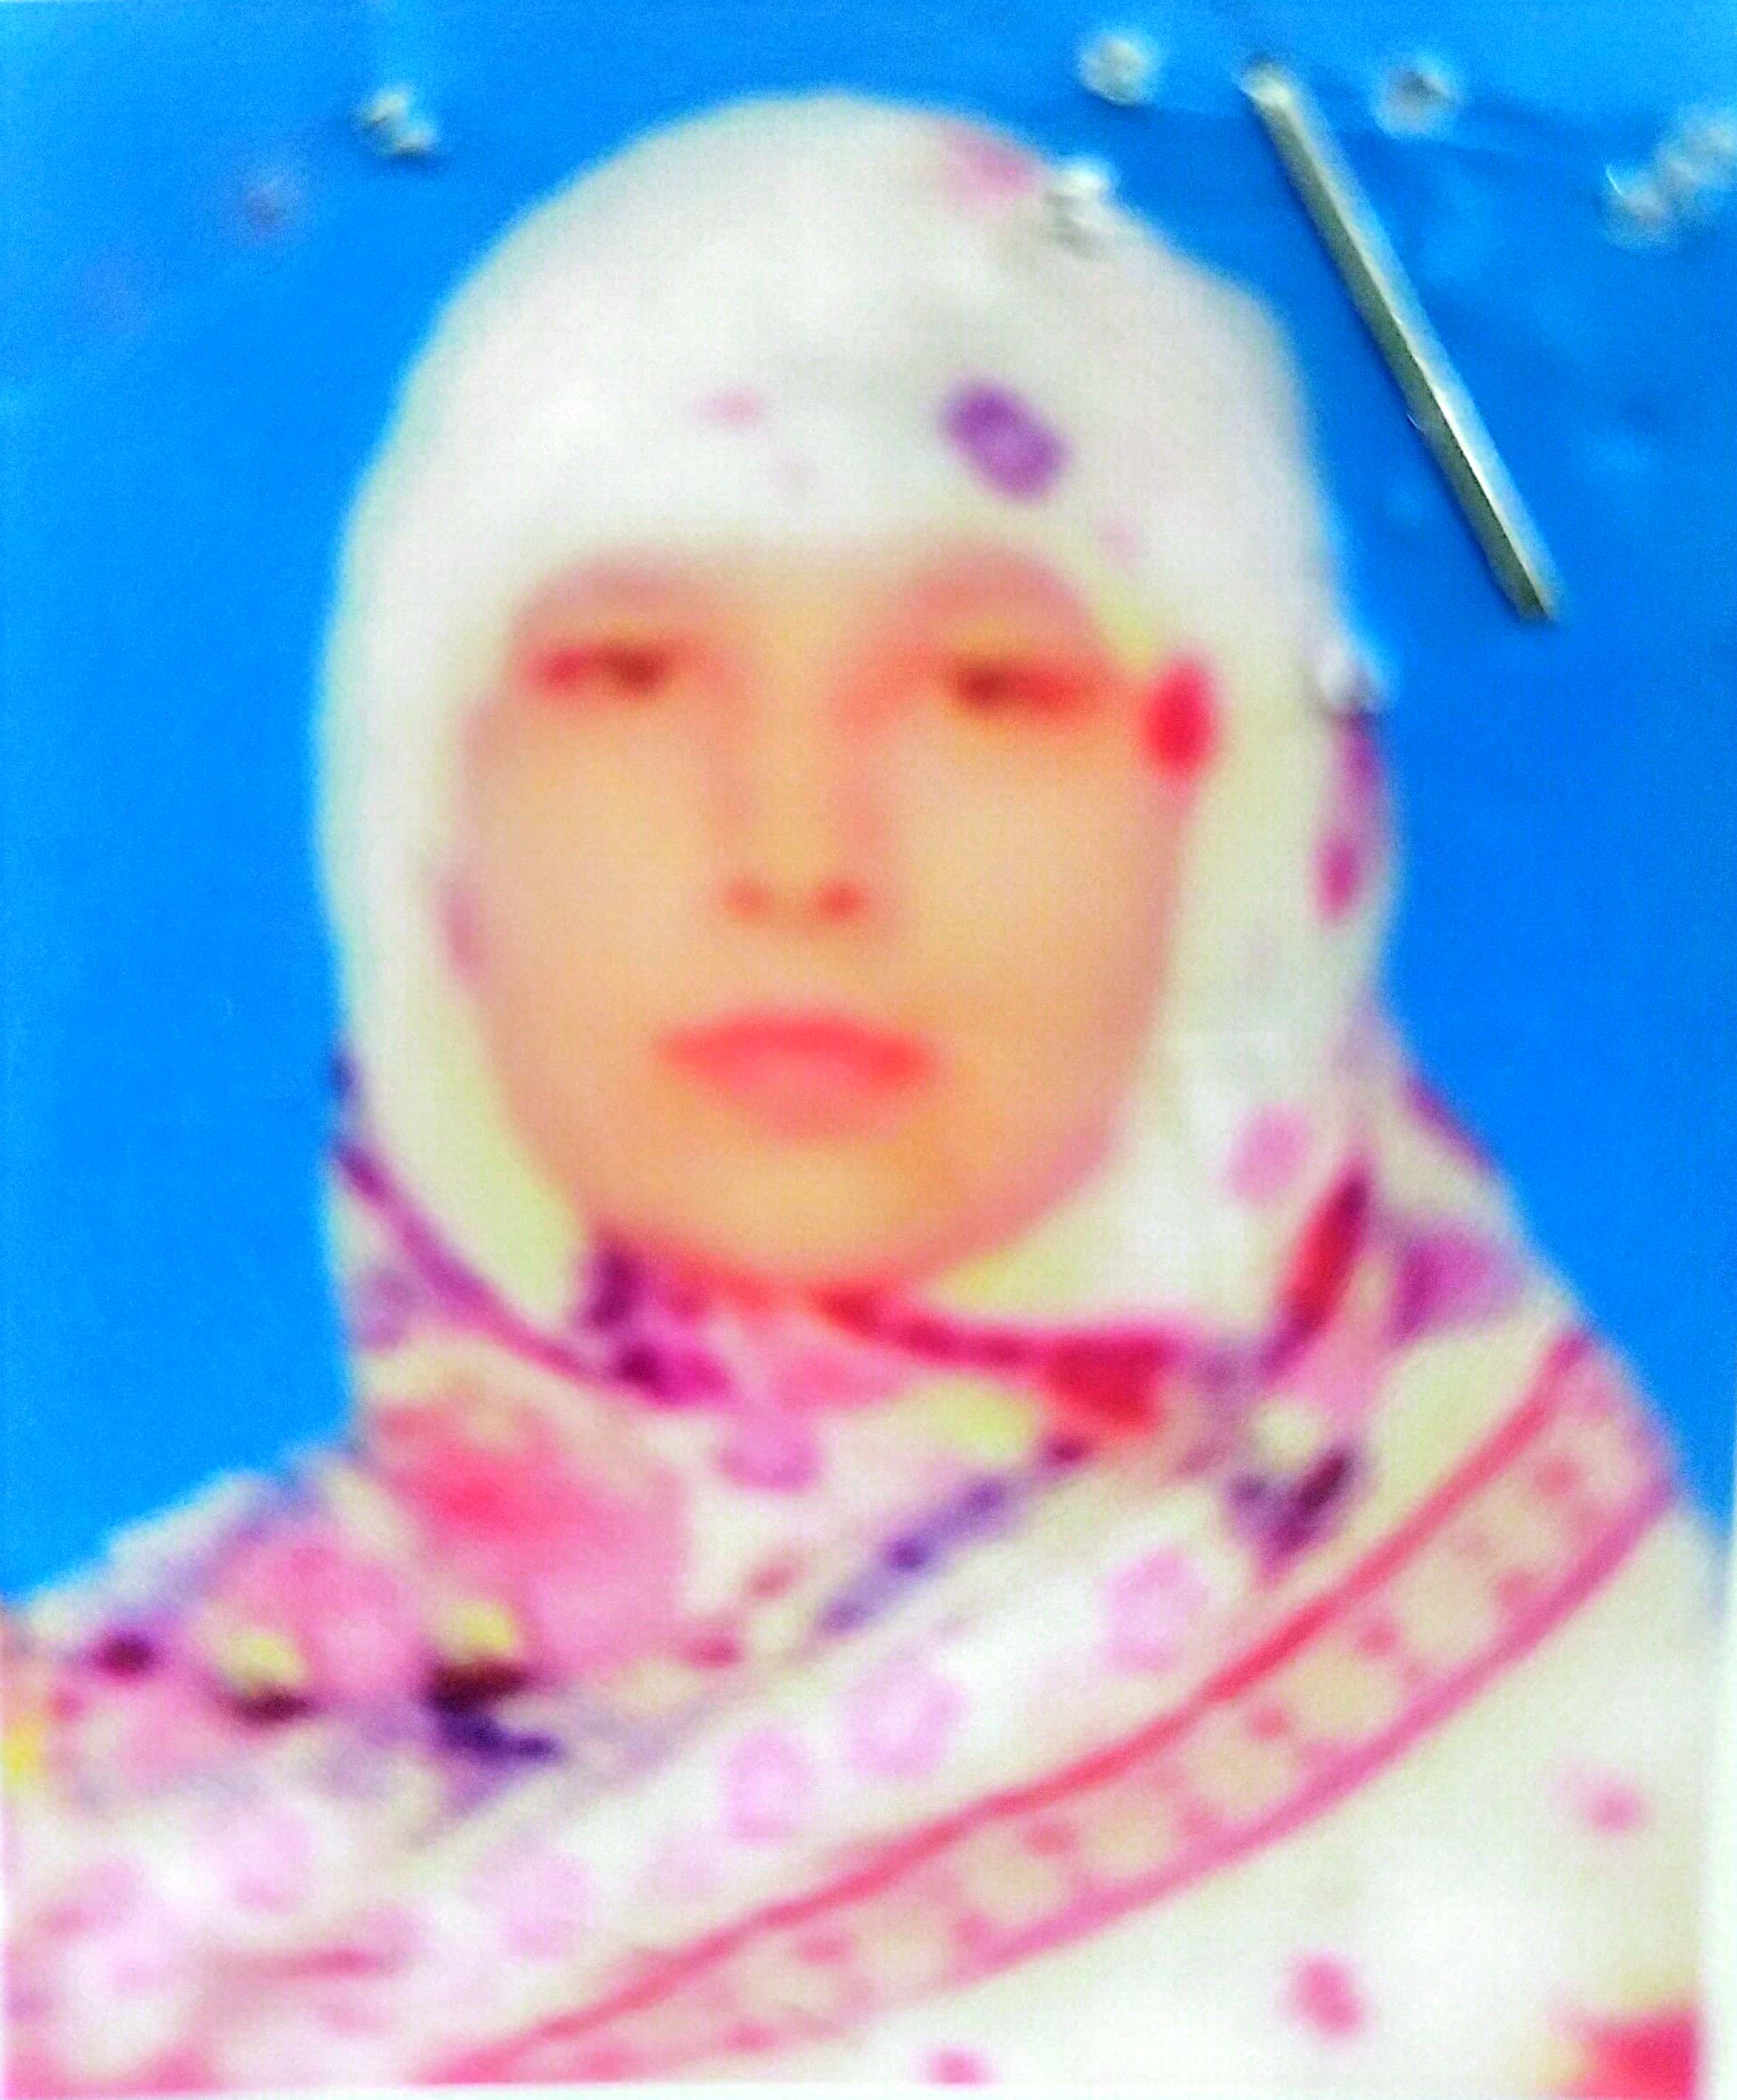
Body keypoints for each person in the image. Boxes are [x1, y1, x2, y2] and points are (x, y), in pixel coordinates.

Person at [1, 93, 1719, 2096]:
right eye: (631, 674)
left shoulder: (1612, 1778)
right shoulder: (105, 1786)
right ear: (423, 815)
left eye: (989, 687)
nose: (797, 849)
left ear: (1242, 809)